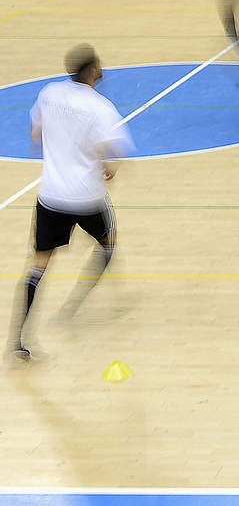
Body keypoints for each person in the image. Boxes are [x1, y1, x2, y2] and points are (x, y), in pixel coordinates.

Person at [8, 45, 134, 362]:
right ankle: (75, 304)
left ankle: (18, 341)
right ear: (93, 71)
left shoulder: (49, 94)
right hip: (87, 197)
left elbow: (35, 135)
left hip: (50, 195)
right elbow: (116, 152)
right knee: (108, 243)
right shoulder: (101, 108)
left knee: (38, 266)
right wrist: (106, 165)